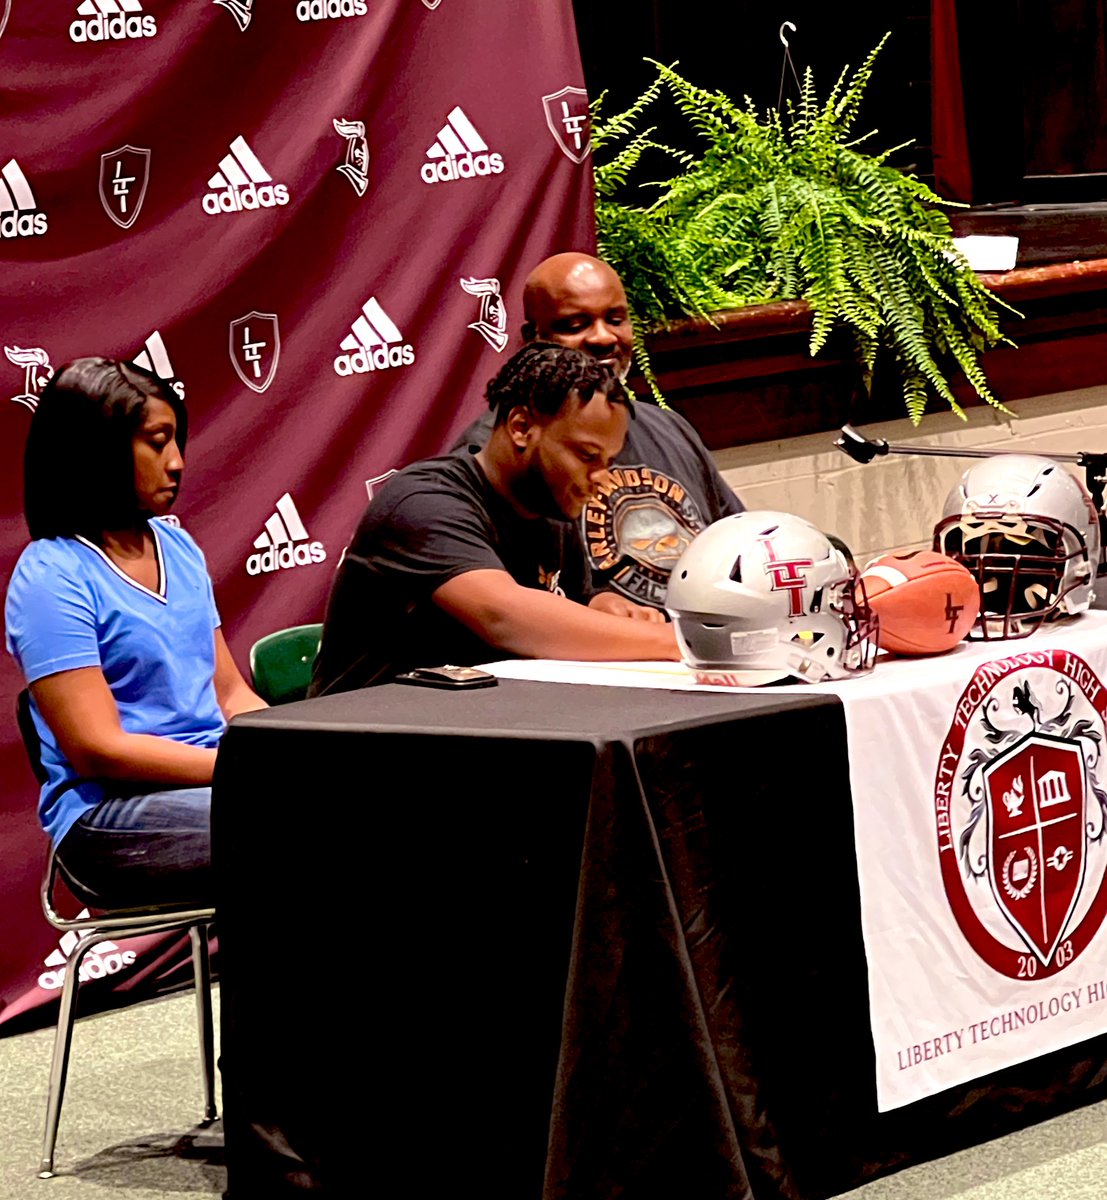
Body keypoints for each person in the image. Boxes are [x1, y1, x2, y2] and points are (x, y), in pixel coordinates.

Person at [5, 358, 265, 909]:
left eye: (177, 441)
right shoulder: (52, 575)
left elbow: (229, 692)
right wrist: (247, 769)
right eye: (157, 442)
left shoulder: (178, 547)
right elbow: (100, 749)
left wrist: (290, 749)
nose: (177, 462)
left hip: (212, 782)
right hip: (108, 817)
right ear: (97, 450)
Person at [311, 343, 680, 694]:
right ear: (521, 427)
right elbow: (503, 616)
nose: (601, 479)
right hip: (359, 742)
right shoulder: (423, 502)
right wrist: (677, 641)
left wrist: (605, 608)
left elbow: (573, 605)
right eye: (587, 456)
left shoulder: (552, 515)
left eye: (608, 462)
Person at [456, 251, 745, 608]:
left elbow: (740, 543)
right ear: (534, 337)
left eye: (616, 319)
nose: (603, 337)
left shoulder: (668, 426)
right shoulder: (503, 452)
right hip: (596, 656)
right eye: (576, 324)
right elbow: (512, 608)